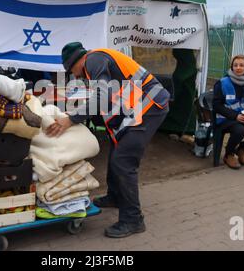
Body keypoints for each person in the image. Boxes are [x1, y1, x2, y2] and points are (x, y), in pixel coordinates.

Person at [45, 42, 170, 238]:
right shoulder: (96, 63)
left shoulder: (94, 59)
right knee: (116, 146)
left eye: (71, 70)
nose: (74, 76)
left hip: (150, 105)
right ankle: (116, 196)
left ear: (78, 60)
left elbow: (101, 98)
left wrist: (71, 119)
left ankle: (133, 219)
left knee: (123, 161)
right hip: (138, 106)